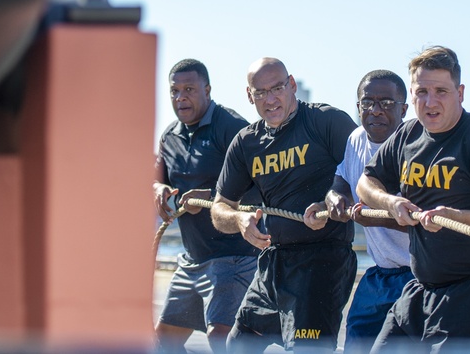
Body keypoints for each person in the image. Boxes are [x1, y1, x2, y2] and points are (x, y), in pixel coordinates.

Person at [357, 46, 470, 353]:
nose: (430, 101)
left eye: (441, 91)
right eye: (421, 91)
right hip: (423, 286)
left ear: (460, 92)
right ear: (411, 96)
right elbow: (365, 182)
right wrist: (391, 202)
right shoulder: (407, 135)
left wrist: (458, 217)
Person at [211, 57, 359, 352]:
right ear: (249, 96)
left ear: (291, 85)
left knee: (307, 349)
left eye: (277, 88)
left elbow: (369, 176)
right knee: (238, 345)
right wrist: (239, 221)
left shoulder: (326, 121)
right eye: (260, 92)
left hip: (323, 263)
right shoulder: (246, 143)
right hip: (274, 263)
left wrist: (331, 202)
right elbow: (219, 208)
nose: (270, 99)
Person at [302, 69, 413, 354]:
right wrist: (333, 197)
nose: (376, 111)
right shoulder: (356, 140)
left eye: (387, 103)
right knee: (356, 340)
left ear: (404, 108)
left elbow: (426, 222)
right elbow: (340, 180)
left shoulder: (417, 148)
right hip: (378, 274)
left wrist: (375, 216)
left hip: (418, 276)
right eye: (367, 103)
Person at [153, 59, 258, 354]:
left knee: (221, 339)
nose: (180, 97)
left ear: (207, 90)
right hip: (192, 259)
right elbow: (156, 178)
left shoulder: (233, 128)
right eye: (174, 91)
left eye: (189, 89)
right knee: (163, 343)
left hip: (234, 257)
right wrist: (158, 189)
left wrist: (212, 196)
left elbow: (260, 184)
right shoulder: (169, 136)